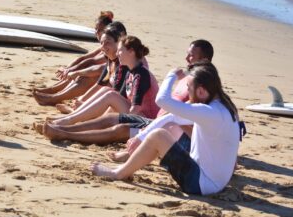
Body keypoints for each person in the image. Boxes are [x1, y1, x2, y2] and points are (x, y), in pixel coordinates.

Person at [91, 63, 241, 196]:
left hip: (200, 185)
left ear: (201, 91)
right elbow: (173, 117)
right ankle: (128, 167)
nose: (188, 93)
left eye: (189, 88)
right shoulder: (223, 107)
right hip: (215, 183)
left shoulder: (208, 112)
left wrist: (172, 75)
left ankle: (118, 173)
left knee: (158, 136)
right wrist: (141, 136)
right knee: (167, 129)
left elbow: (161, 100)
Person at [39, 39, 214, 145]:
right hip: (153, 122)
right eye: (187, 54)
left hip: (164, 129)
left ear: (204, 59)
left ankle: (65, 133)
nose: (186, 58)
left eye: (191, 56)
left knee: (121, 129)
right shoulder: (187, 77)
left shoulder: (203, 86)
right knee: (110, 117)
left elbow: (199, 117)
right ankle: (64, 125)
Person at [43, 35, 157, 129]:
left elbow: (134, 110)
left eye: (120, 51)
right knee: (107, 91)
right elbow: (121, 99)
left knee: (111, 95)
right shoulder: (131, 72)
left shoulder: (141, 74)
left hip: (147, 121)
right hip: (137, 114)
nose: (117, 54)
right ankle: (72, 117)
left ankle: (70, 119)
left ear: (131, 52)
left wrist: (110, 122)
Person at [32, 11, 114, 106]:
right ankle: (53, 91)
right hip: (106, 80)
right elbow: (85, 58)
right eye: (96, 29)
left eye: (100, 30)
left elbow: (94, 64)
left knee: (84, 75)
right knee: (81, 71)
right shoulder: (106, 46)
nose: (97, 33)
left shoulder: (112, 48)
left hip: (111, 85)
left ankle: (54, 97)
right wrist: (69, 69)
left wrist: (74, 71)